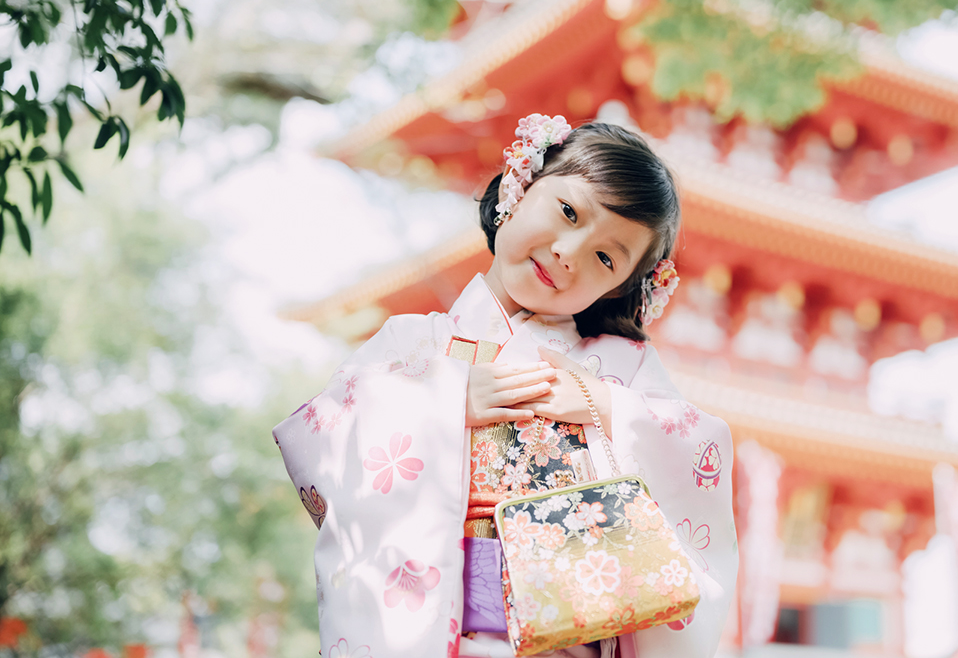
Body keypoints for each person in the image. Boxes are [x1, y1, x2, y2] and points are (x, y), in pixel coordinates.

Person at [275, 116, 737, 658]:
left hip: (572, 634)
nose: (570, 252)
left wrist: (606, 406)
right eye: (568, 211)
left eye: (606, 258)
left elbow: (697, 452)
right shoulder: (414, 343)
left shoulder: (622, 369)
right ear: (521, 183)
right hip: (438, 630)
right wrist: (443, 400)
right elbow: (317, 445)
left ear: (619, 289)